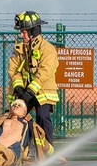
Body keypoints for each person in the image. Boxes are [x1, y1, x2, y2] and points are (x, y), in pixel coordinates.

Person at [8, 11, 59, 148]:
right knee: (15, 117)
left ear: (32, 31)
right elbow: (13, 69)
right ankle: (14, 149)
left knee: (42, 117)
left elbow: (45, 72)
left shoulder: (48, 49)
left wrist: (30, 91)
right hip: (24, 91)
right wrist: (18, 87)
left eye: (24, 32)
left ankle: (48, 150)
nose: (21, 35)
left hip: (42, 92)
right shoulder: (18, 49)